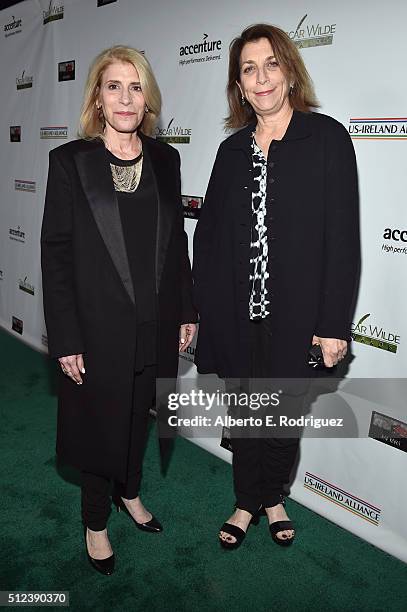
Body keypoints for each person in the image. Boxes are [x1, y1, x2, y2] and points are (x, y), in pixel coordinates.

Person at [192, 24, 359, 549]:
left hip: (298, 316)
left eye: (270, 64)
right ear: (239, 86)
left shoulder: (327, 138)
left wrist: (333, 324)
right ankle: (247, 502)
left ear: (289, 71)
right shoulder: (231, 151)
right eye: (248, 69)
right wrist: (200, 310)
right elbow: (210, 235)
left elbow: (342, 237)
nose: (261, 77)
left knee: (284, 414)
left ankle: (273, 496)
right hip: (236, 313)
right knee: (243, 411)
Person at [41, 45, 197, 575]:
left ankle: (129, 493)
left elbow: (176, 243)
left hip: (154, 320)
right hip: (95, 327)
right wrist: (65, 337)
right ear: (97, 98)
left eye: (135, 86)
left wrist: (187, 310)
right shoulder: (69, 162)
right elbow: (56, 254)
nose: (126, 97)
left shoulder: (165, 158)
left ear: (146, 96)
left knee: (138, 416)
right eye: (114, 86)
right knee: (98, 426)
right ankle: (95, 522)